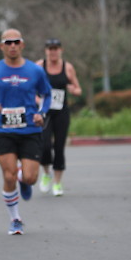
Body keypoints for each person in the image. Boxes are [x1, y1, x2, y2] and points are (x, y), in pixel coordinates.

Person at [0, 29, 51, 235]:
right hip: (4, 130)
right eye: (8, 42)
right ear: (1, 46)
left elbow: (47, 95)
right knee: (8, 176)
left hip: (30, 130)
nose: (12, 46)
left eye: (16, 42)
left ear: (22, 45)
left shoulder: (35, 71)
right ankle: (15, 219)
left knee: (30, 178)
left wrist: (41, 113)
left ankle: (23, 177)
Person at [35, 38, 82, 196]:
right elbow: (30, 88)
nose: (53, 52)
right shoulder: (39, 66)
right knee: (45, 145)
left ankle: (57, 182)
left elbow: (78, 89)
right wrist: (38, 100)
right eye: (50, 49)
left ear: (61, 50)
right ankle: (46, 173)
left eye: (55, 48)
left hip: (61, 112)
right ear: (46, 51)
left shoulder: (67, 67)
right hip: (44, 111)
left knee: (59, 147)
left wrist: (73, 89)